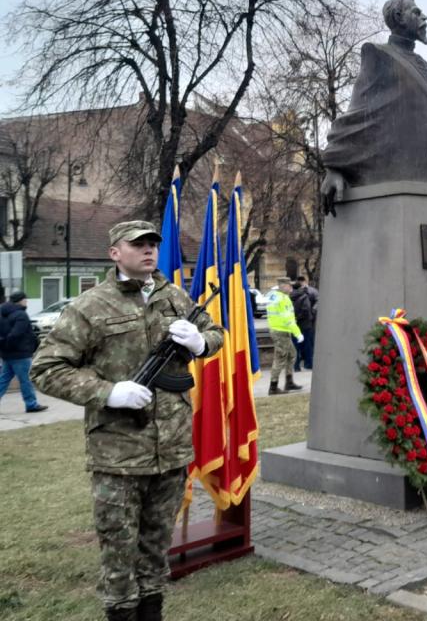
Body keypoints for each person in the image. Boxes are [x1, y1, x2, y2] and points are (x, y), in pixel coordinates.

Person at [31, 220, 224, 621]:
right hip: (117, 454)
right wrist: (108, 392)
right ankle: (120, 612)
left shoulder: (174, 295)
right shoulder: (89, 306)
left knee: (156, 549)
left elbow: (215, 332)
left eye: (153, 243)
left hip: (170, 449)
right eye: (137, 245)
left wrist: (202, 342)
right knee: (119, 552)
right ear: (115, 253)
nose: (149, 250)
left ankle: (152, 611)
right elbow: (46, 368)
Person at [321, 0, 427, 212]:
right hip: (390, 173)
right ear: (399, 16)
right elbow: (357, 114)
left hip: (424, 175)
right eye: (416, 12)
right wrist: (334, 167)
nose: (424, 17)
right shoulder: (378, 55)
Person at [0, 290, 47, 413]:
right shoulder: (21, 315)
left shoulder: (2, 313)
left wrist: (5, 346)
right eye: (25, 300)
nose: (27, 302)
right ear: (20, 301)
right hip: (20, 353)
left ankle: (31, 403)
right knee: (25, 380)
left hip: (6, 353)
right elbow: (18, 333)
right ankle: (31, 404)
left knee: (3, 380)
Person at [266, 277, 304, 394]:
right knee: (280, 358)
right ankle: (273, 387)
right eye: (289, 285)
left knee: (291, 354)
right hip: (281, 331)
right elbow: (288, 320)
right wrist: (298, 333)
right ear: (283, 286)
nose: (291, 287)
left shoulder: (274, 296)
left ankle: (289, 382)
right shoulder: (283, 299)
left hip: (278, 330)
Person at [291, 276, 315, 371]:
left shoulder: (290, 297)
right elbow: (306, 309)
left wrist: (295, 318)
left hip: (294, 325)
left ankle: (296, 366)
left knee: (296, 345)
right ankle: (308, 364)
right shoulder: (304, 296)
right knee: (307, 345)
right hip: (305, 324)